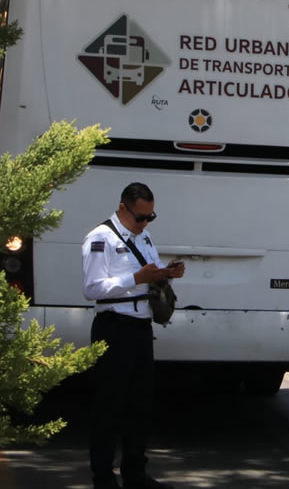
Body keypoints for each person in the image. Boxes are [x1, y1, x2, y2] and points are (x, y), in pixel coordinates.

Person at [82, 182, 184, 489]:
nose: (144, 223)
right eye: (140, 217)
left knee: (140, 406)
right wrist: (135, 278)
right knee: (109, 407)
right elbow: (92, 289)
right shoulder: (100, 238)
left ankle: (135, 473)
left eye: (150, 217)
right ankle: (103, 477)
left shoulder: (144, 235)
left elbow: (147, 271)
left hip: (141, 328)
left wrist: (166, 272)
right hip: (114, 328)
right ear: (123, 208)